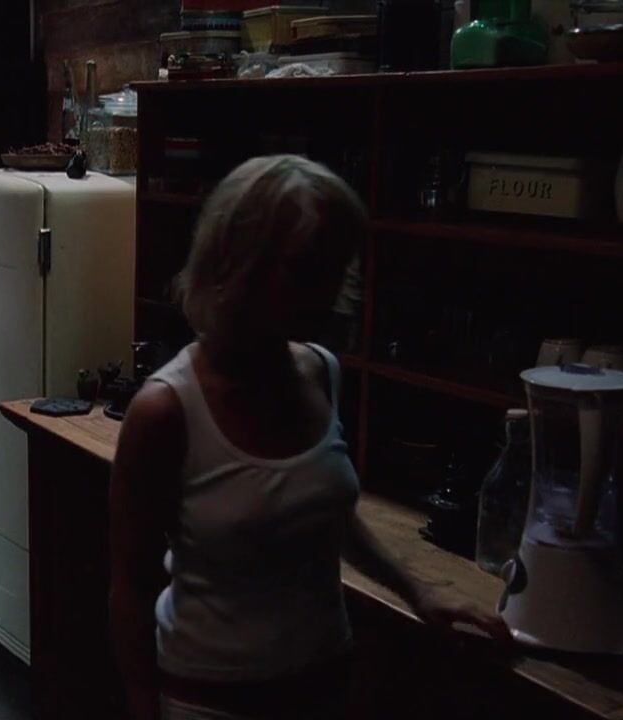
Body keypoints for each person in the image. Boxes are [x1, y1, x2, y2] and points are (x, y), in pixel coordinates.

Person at [108, 155, 510, 720]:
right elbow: (131, 586)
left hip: (326, 683)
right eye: (305, 270)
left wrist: (419, 590)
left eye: (336, 268)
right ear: (236, 262)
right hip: (212, 700)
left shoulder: (320, 370)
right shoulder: (165, 410)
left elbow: (326, 518)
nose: (328, 292)